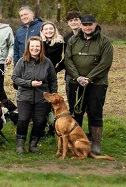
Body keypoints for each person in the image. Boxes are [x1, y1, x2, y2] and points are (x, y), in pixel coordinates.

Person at [64, 14, 114, 155]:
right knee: (76, 112)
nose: (87, 27)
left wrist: (89, 78)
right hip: (76, 82)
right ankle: (75, 142)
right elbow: (68, 60)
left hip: (97, 83)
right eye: (84, 25)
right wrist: (77, 77)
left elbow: (105, 63)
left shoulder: (104, 41)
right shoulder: (73, 40)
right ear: (81, 26)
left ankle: (96, 143)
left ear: (95, 24)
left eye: (89, 25)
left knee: (95, 113)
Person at [11, 36, 58, 154]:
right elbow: (15, 78)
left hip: (42, 97)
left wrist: (53, 96)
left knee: (40, 121)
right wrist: (29, 83)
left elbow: (53, 80)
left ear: (41, 48)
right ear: (28, 48)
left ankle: (33, 145)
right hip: (24, 97)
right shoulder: (22, 61)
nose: (35, 48)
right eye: (32, 46)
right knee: (23, 119)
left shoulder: (47, 62)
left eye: (37, 46)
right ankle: (20, 144)